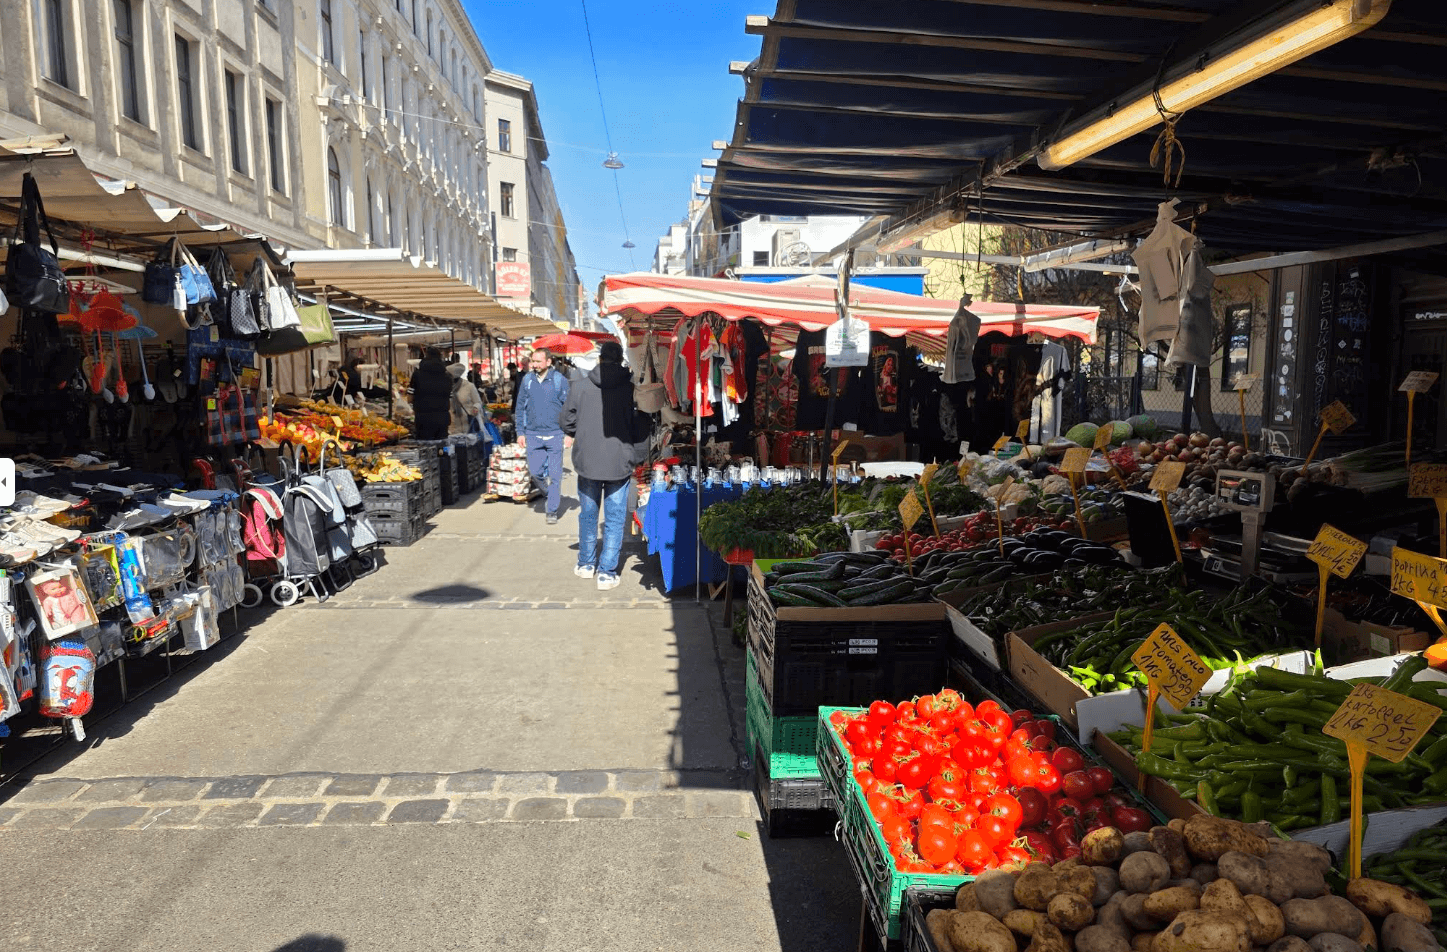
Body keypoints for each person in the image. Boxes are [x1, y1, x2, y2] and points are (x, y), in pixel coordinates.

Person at [559, 340, 647, 590]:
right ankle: (607, 572)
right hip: (619, 460)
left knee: (588, 515)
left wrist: (583, 433)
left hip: (587, 460)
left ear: (600, 359)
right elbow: (641, 426)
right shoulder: (630, 390)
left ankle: (586, 564)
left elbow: (566, 421)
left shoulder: (580, 386)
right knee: (615, 517)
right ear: (621, 360)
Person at [515, 347, 570, 523]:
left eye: (538, 361)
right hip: (533, 434)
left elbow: (569, 409)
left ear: (548, 362)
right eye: (533, 361)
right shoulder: (527, 380)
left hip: (555, 434)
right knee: (535, 472)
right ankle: (548, 493)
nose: (535, 365)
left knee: (555, 476)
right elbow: (520, 406)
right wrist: (520, 432)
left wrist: (569, 433)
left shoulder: (559, 380)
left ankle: (552, 510)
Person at [411, 347, 452, 440]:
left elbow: (409, 397)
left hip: (423, 419)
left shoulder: (417, 375)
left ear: (426, 356)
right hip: (442, 419)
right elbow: (450, 397)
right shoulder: (447, 376)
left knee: (425, 449)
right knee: (441, 449)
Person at [447, 362, 484, 435]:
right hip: (452, 427)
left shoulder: (469, 386)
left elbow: (478, 402)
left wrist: (475, 408)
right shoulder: (445, 388)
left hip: (468, 425)